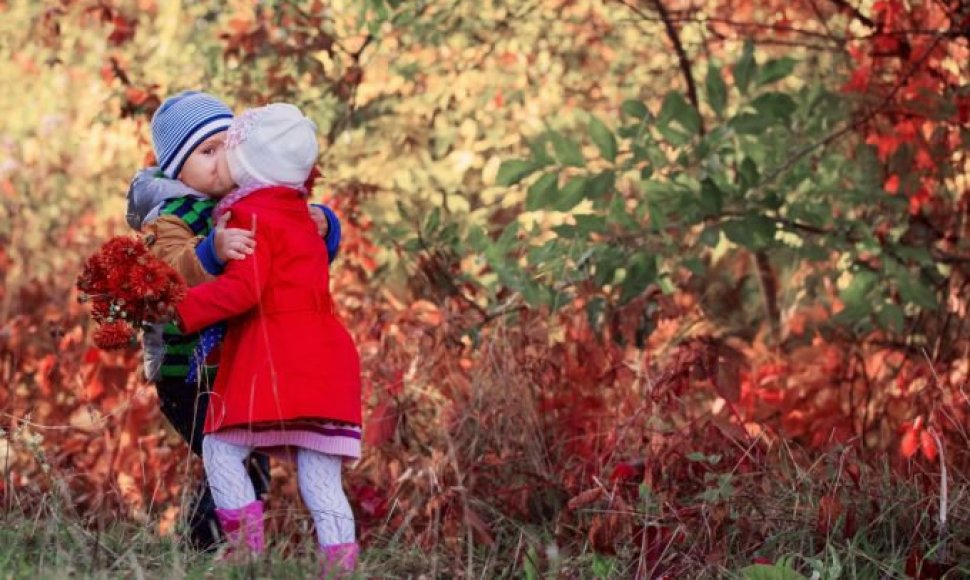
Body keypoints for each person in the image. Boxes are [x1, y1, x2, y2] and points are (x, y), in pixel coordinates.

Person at [125, 91, 343, 551]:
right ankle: (212, 547)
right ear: (175, 168)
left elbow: (292, 247)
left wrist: (323, 223)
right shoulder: (168, 216)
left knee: (238, 457)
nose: (222, 159)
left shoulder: (253, 196)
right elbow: (166, 275)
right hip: (184, 368)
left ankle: (222, 547)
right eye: (207, 152)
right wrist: (211, 251)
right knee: (228, 454)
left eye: (228, 144)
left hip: (233, 362)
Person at [173, 103, 362, 574]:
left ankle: (245, 555)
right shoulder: (304, 215)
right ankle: (340, 568)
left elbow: (244, 290)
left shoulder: (246, 216)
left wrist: (184, 311)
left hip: (276, 355)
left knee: (221, 448)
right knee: (320, 476)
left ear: (246, 164)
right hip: (327, 356)